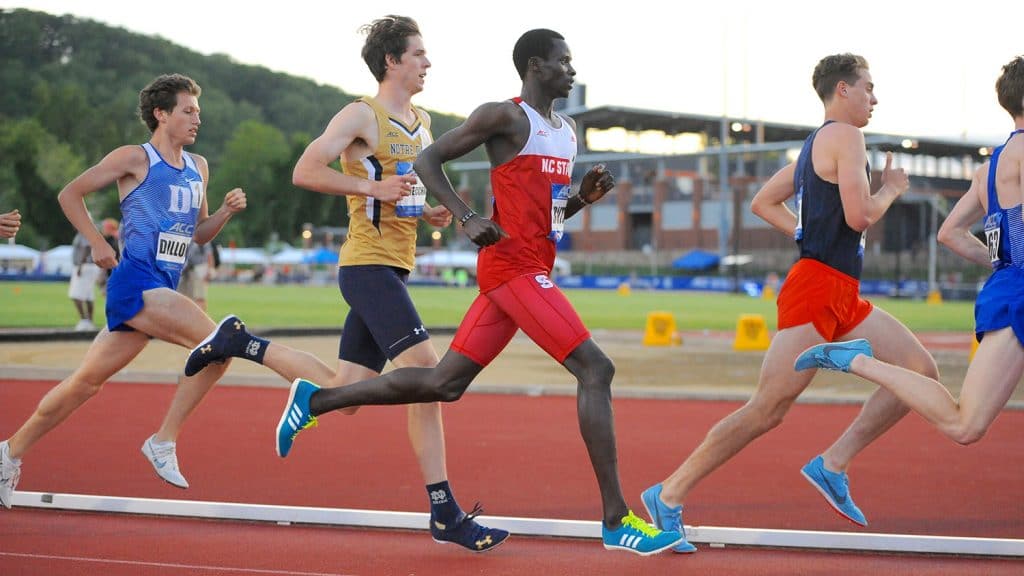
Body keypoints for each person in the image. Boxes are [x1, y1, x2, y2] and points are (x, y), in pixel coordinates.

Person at [266, 28, 684, 555]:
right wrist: (466, 217)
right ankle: (616, 520)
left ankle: (319, 399)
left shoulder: (569, 131)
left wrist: (580, 198)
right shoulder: (502, 116)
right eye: (564, 62)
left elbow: (546, 217)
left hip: (530, 265)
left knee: (444, 383)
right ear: (536, 66)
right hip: (509, 268)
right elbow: (426, 162)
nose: (572, 72)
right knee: (596, 368)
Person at [639, 53, 937, 551]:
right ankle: (667, 494)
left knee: (919, 370)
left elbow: (762, 202)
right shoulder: (845, 137)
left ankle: (834, 462)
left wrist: (804, 229)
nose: (874, 98)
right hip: (818, 287)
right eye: (868, 88)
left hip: (842, 291)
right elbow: (861, 217)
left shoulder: (812, 149)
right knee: (767, 410)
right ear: (842, 90)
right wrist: (890, 191)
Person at [0, 74, 334, 507]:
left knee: (85, 383)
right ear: (161, 114)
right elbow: (70, 194)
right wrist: (99, 243)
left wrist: (227, 214)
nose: (197, 119)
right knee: (220, 345)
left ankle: (8, 454)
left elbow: (198, 235)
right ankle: (163, 440)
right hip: (134, 282)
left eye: (198, 111)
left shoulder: (199, 167)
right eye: (188, 111)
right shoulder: (135, 158)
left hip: (164, 286)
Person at [288, 15, 507, 552]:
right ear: (392, 61)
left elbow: (398, 193)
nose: (427, 63)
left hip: (395, 263)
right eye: (418, 54)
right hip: (366, 265)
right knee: (428, 376)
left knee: (350, 392)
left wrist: (426, 210)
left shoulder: (424, 121)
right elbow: (305, 171)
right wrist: (376, 187)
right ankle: (444, 511)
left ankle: (240, 342)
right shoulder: (361, 114)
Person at [795, 56, 1024, 447]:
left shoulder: (989, 169)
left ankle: (857, 362)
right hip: (1015, 294)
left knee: (964, 425)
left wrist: (1005, 261)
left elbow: (949, 233)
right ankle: (858, 361)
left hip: (1007, 289)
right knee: (964, 425)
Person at [68, 230, 102, 331]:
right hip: (89, 266)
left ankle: (84, 321)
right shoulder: (87, 231)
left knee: (75, 295)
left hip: (85, 266)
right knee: (88, 295)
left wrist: (80, 265)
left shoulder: (84, 231)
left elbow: (87, 247)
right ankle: (89, 322)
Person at [177, 241, 215, 311]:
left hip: (199, 268)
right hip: (186, 270)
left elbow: (209, 255)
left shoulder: (202, 237)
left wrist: (209, 270)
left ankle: (201, 318)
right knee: (185, 296)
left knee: (199, 297)